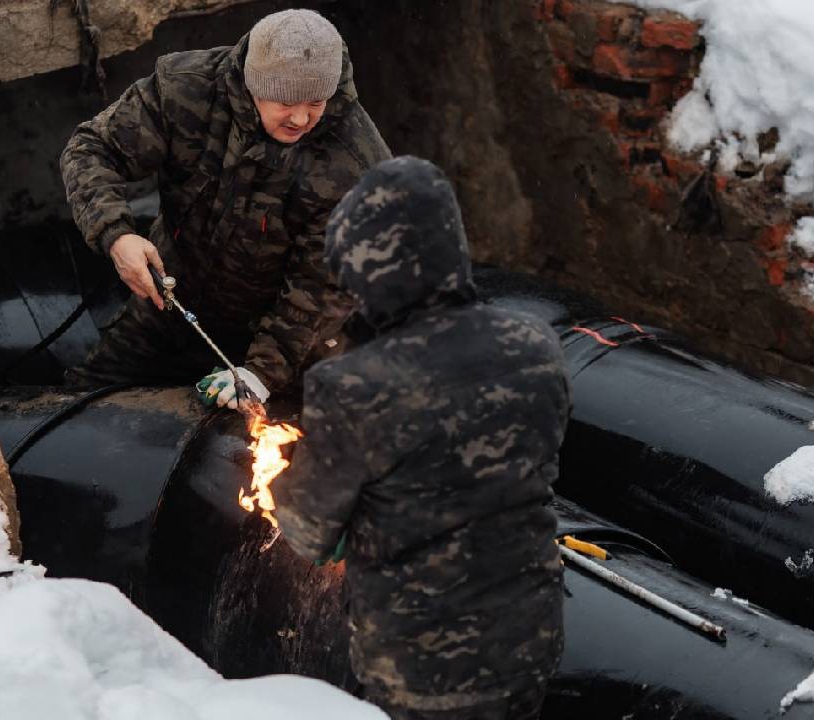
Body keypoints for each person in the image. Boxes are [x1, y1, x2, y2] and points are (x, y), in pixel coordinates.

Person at [274, 157, 570, 720]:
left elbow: (307, 533)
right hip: (530, 639)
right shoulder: (535, 347)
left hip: (423, 666)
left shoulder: (352, 385)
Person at [60, 9, 390, 406]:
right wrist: (116, 234)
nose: (302, 118)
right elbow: (91, 149)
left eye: (316, 101)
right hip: (171, 304)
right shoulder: (185, 90)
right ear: (254, 83)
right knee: (77, 404)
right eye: (286, 100)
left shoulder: (356, 164)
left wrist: (263, 370)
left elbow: (325, 286)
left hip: (288, 341)